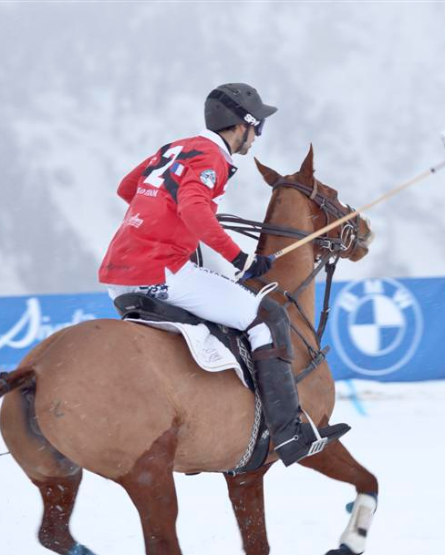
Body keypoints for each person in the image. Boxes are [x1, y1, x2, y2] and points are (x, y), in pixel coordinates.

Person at [98, 82, 348, 466]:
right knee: (267, 314)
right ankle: (288, 434)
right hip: (161, 271)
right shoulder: (212, 157)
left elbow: (127, 188)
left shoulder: (176, 148)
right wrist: (240, 260)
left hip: (119, 274)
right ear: (242, 125)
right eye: (257, 127)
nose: (257, 136)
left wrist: (163, 221)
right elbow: (195, 211)